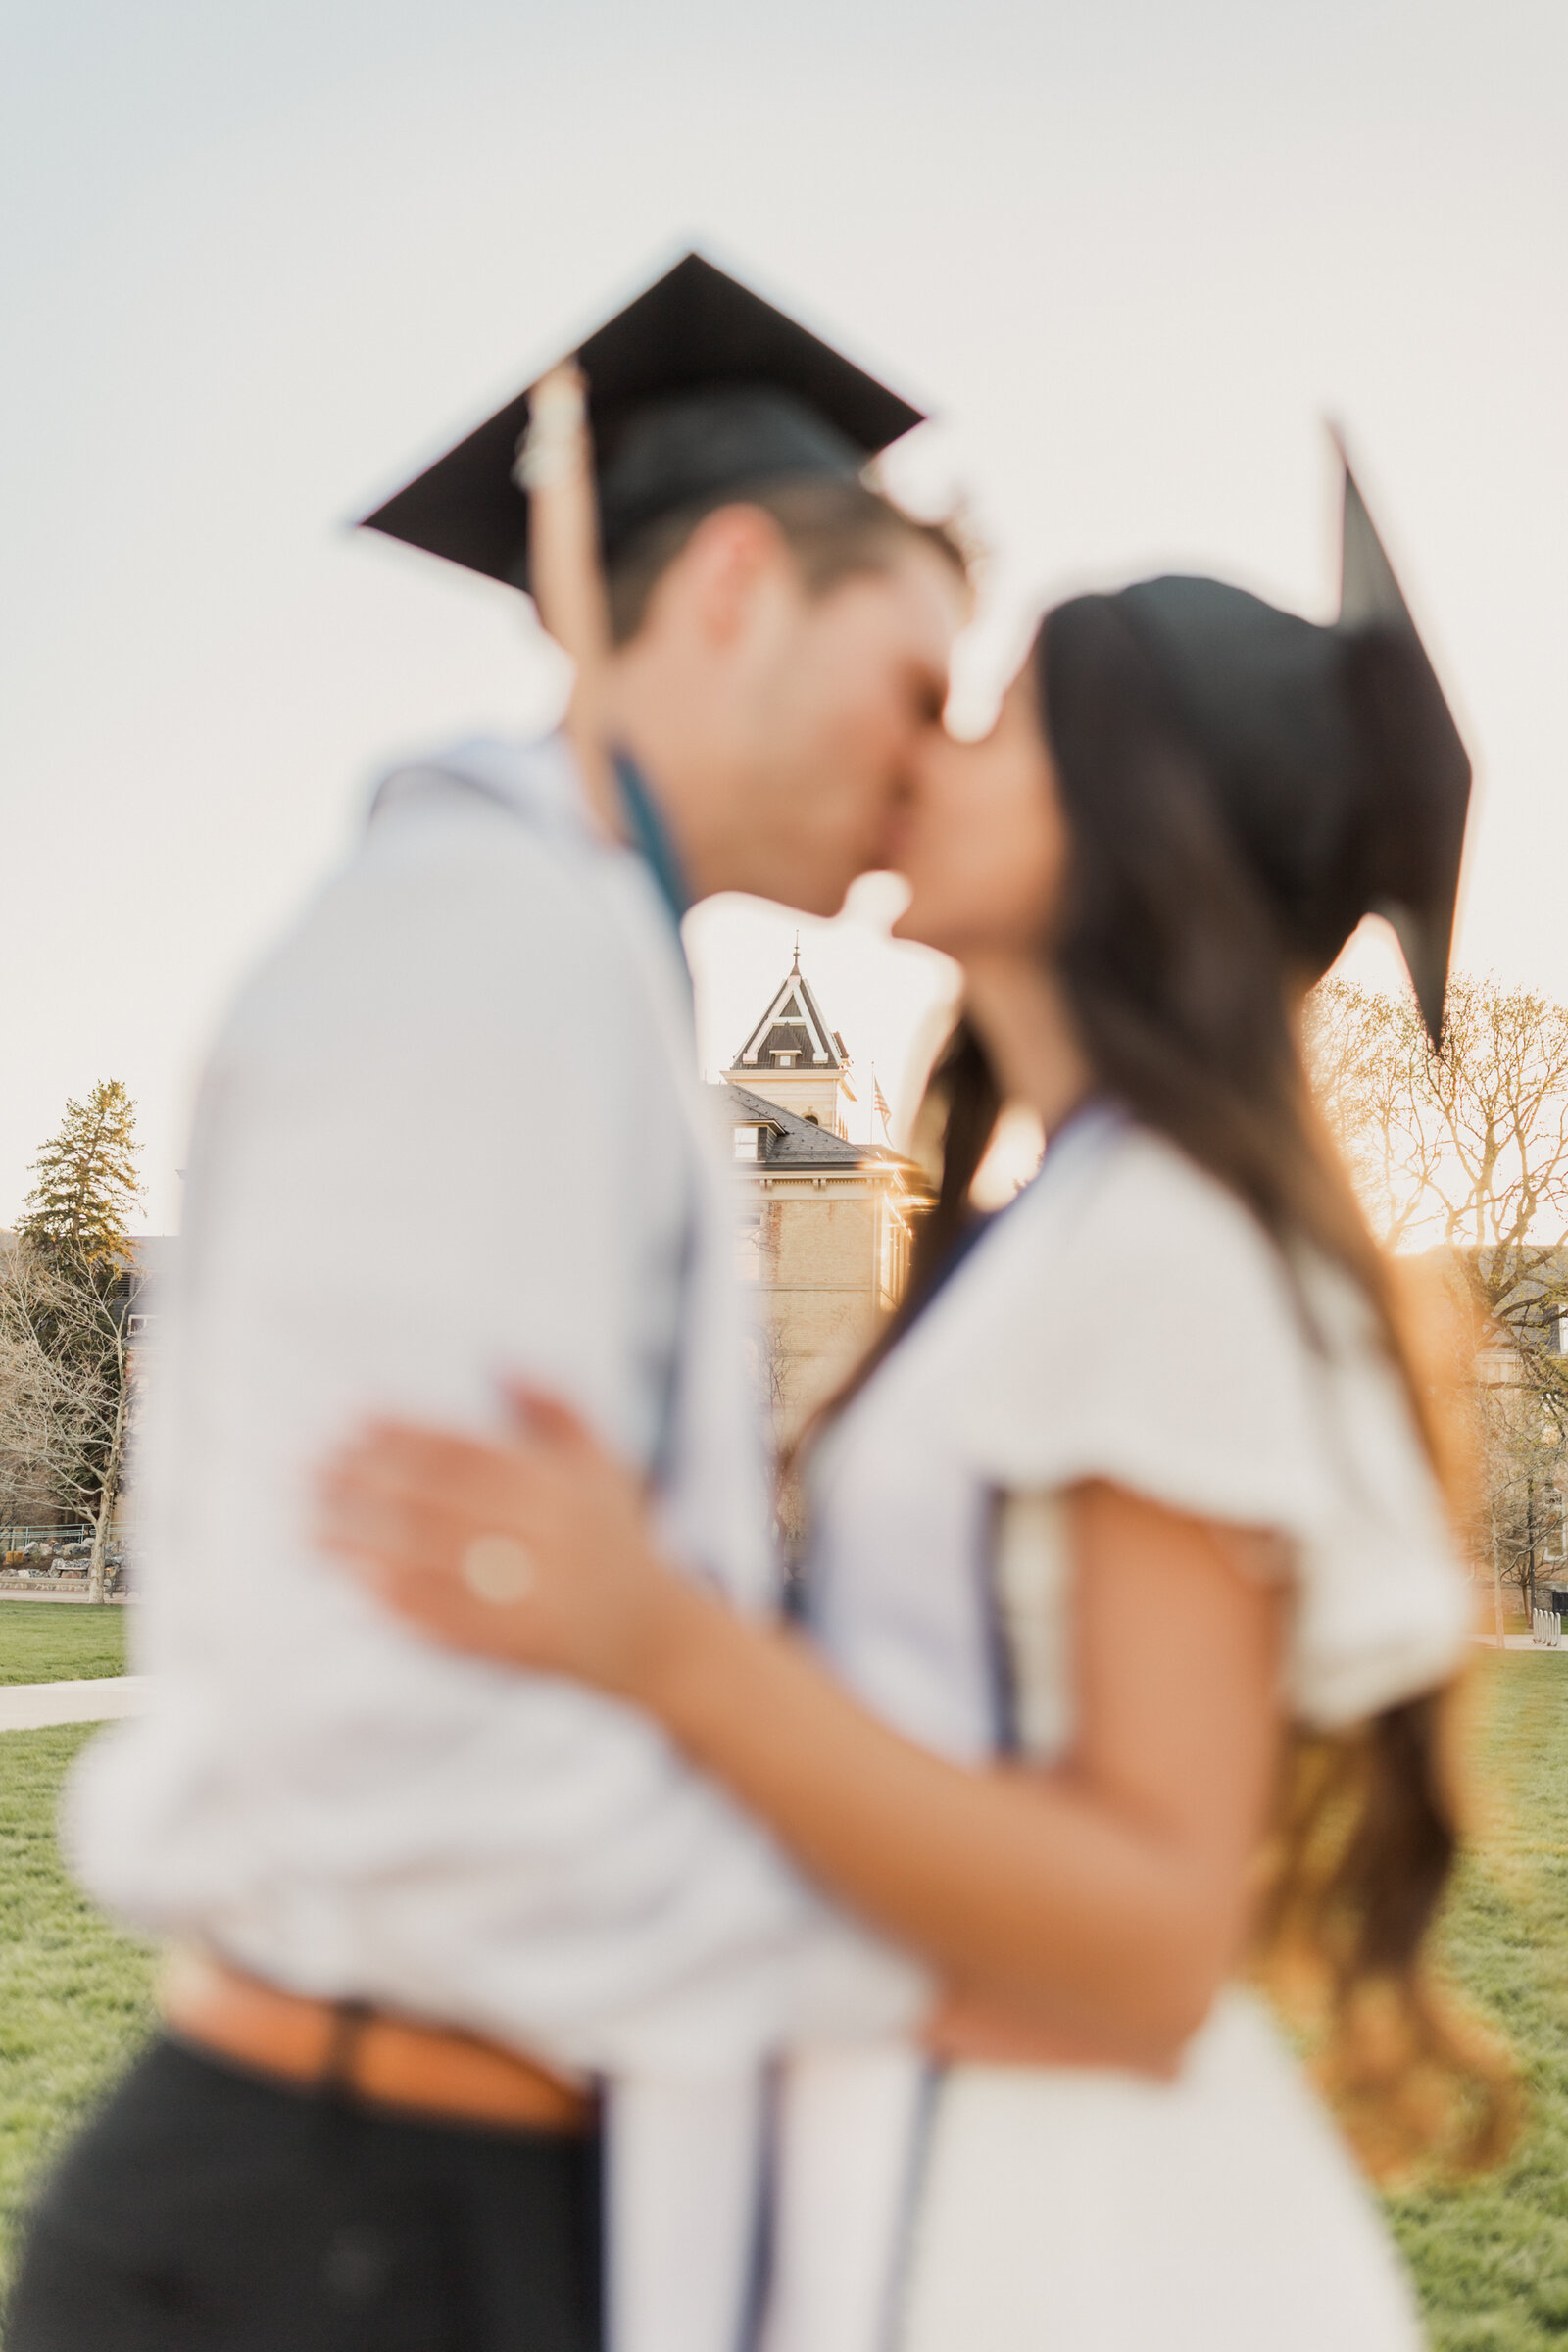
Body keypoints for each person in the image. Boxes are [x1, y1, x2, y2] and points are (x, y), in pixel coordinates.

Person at [312, 449, 1514, 2351]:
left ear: (1129, 826)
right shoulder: (1058, 1222)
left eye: (996, 724)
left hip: (1062, 2256)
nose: (923, 750)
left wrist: (657, 1645)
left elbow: (1141, 1944)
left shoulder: (1166, 1249)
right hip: (910, 2177)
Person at [6, 252, 969, 2352]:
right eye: (909, 683)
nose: (922, 776)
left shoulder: (589, 966)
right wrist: (959, 1948)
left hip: (445, 2201)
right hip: (345, 2230)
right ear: (731, 586)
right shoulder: (484, 958)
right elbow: (416, 1700)